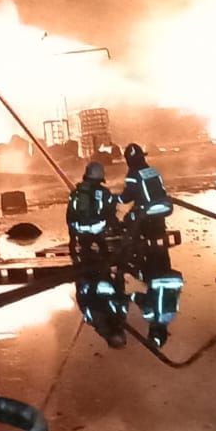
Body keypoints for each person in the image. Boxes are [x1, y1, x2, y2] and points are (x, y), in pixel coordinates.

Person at [118, 143, 173, 272]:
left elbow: (127, 196)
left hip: (146, 213)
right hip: (163, 210)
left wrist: (116, 199)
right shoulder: (153, 171)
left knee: (129, 220)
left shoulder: (133, 174)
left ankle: (140, 259)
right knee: (157, 233)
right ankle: (162, 261)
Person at [67, 161, 116, 258]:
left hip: (80, 230)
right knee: (104, 250)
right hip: (98, 229)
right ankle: (104, 258)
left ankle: (85, 255)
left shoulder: (76, 192)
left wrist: (72, 240)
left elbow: (70, 214)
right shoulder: (104, 192)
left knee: (85, 248)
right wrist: (113, 225)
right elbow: (110, 211)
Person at [75, 264, 130, 348]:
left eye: (118, 340)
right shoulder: (120, 318)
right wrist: (119, 276)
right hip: (104, 278)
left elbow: (88, 300)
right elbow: (122, 298)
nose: (122, 336)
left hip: (88, 280)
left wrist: (91, 282)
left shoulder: (96, 320)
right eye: (123, 338)